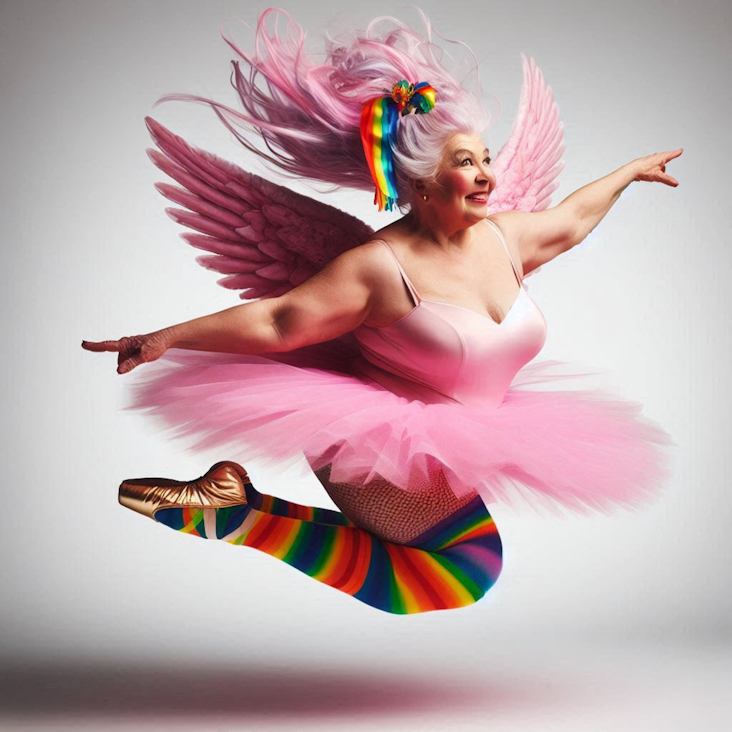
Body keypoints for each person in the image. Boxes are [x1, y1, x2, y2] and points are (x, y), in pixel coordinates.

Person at [81, 8, 680, 615]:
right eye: (465, 163)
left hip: (458, 437)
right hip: (374, 440)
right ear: (422, 181)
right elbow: (278, 322)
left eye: (487, 159)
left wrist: (629, 173)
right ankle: (236, 517)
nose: (487, 177)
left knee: (453, 568)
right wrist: (164, 338)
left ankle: (235, 506)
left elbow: (575, 218)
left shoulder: (509, 237)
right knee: (467, 570)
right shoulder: (378, 266)